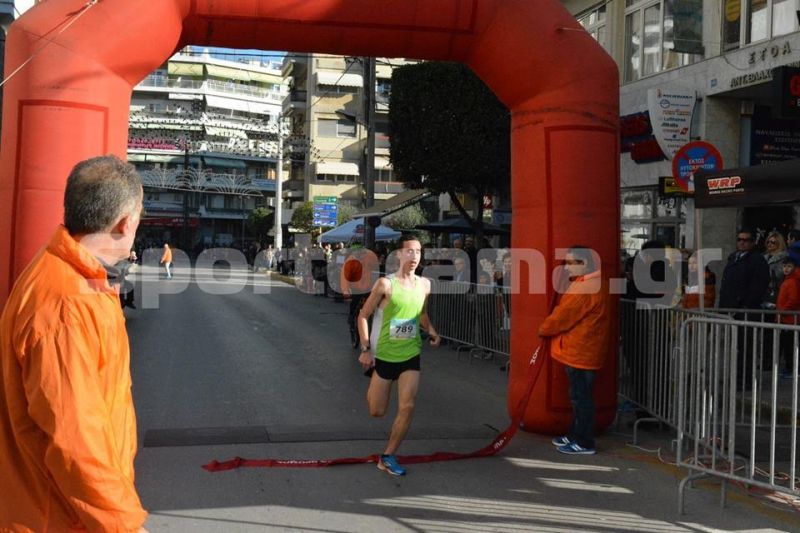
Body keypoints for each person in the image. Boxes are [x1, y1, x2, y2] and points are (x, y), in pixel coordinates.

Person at [0, 155, 148, 531]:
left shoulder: (73, 274)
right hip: (60, 516)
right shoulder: (68, 304)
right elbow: (76, 442)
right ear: (125, 222)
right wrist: (125, 525)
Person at [357, 235, 441, 476]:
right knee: (377, 411)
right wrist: (365, 349)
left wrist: (432, 331)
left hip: (410, 353)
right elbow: (362, 316)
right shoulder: (386, 284)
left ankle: (388, 455)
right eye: (410, 252)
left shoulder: (425, 285)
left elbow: (421, 314)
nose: (414, 257)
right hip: (383, 355)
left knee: (408, 405)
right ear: (399, 256)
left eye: (418, 252)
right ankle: (374, 384)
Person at [538, 246, 612, 455]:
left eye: (571, 263)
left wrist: (544, 329)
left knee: (581, 398)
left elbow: (564, 316)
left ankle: (584, 440)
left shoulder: (585, 287)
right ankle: (575, 434)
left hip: (581, 350)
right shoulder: (595, 284)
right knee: (579, 397)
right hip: (583, 349)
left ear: (584, 264)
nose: (567, 268)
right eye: (566, 263)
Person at [719, 228, 769, 312]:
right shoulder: (733, 257)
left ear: (752, 242)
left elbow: (760, 284)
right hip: (727, 306)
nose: (742, 242)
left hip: (743, 309)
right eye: (739, 240)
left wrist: (746, 303)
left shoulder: (758, 260)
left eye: (746, 240)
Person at [776, 251, 800, 378]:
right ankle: (789, 368)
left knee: (790, 346)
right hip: (786, 317)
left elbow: (793, 300)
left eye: (789, 266)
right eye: (785, 266)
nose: (786, 268)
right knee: (788, 346)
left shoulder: (792, 282)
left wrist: (782, 311)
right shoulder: (787, 280)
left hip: (789, 319)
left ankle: (791, 369)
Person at [762, 231, 788, 309]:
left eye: (773, 242)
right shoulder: (763, 257)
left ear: (779, 243)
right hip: (762, 291)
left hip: (776, 291)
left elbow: (780, 274)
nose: (769, 244)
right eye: (768, 241)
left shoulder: (783, 258)